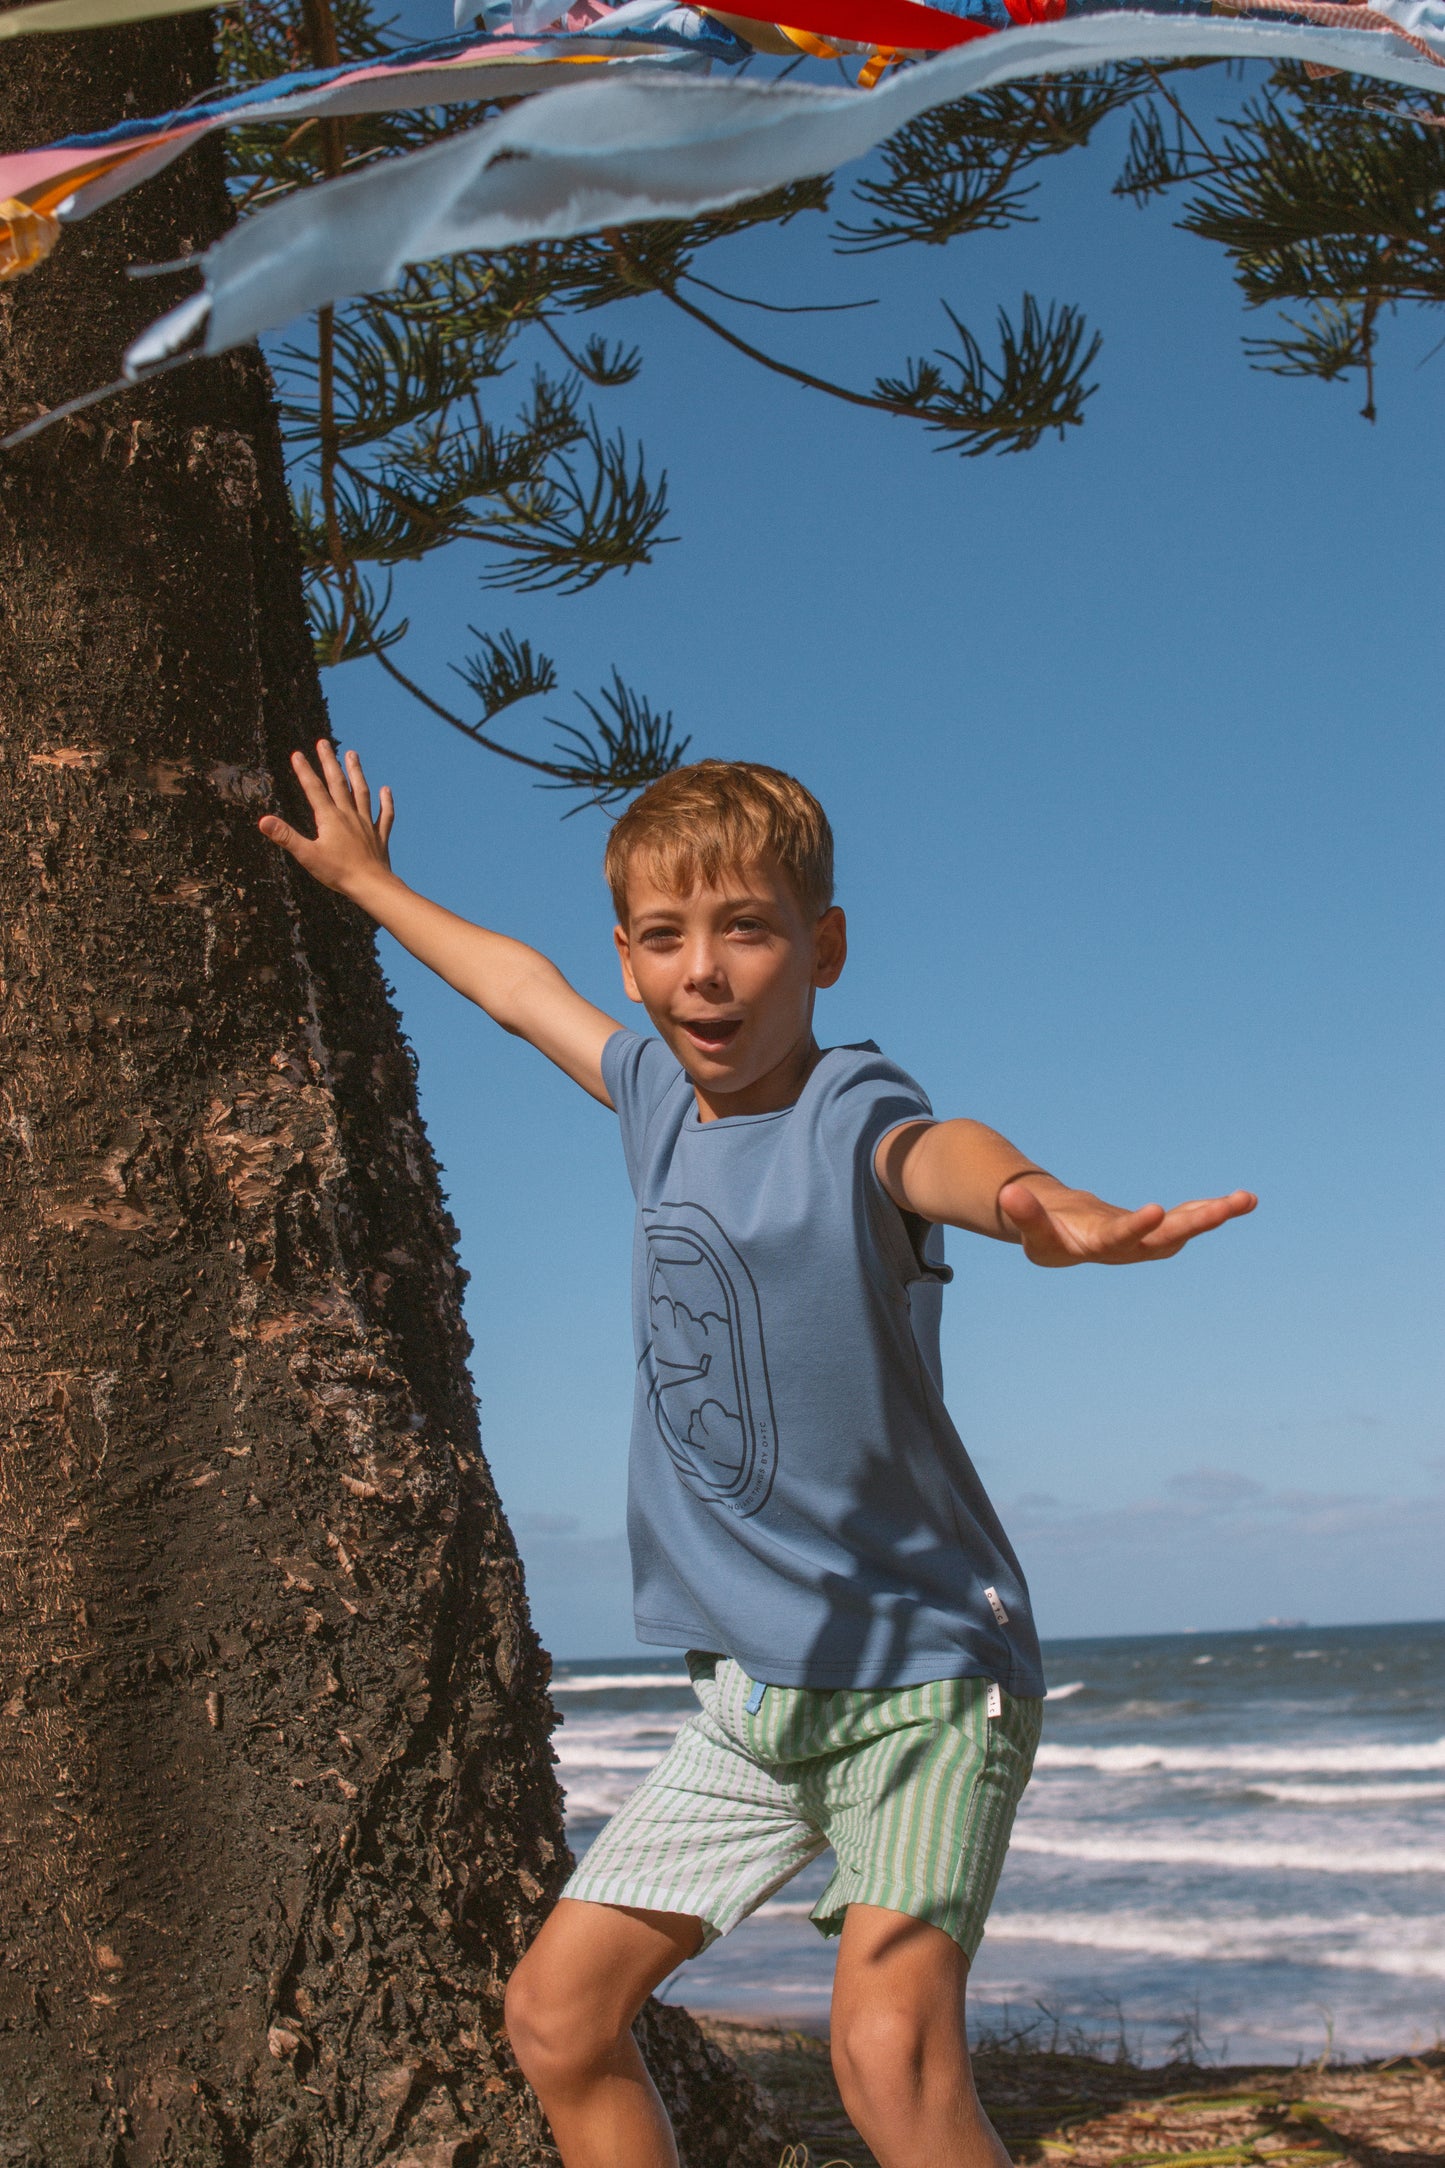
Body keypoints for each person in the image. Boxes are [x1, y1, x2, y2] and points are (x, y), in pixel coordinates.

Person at [260, 748, 1255, 2168]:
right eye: (664, 939)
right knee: (557, 2016)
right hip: (752, 1700)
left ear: (822, 946)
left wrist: (1044, 1203)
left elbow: (942, 1156)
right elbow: (511, 986)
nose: (704, 973)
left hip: (918, 1681)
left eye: (746, 929)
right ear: (631, 959)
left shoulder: (847, 1109)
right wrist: (366, 883)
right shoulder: (657, 1102)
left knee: (888, 2058)